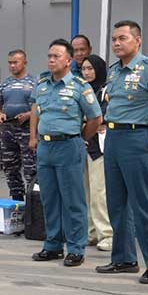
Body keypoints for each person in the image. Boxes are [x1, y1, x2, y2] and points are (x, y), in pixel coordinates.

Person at [95, 20, 148, 284]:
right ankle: (124, 258)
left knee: (144, 205)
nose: (117, 43)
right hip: (114, 138)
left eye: (123, 38)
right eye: (114, 39)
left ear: (137, 41)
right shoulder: (115, 71)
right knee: (117, 203)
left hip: (138, 138)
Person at [29, 39, 103, 267]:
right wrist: (34, 136)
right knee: (49, 199)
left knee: (73, 200)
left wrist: (80, 138)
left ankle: (75, 248)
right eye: (49, 56)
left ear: (69, 61)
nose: (51, 60)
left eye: (57, 56)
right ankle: (52, 245)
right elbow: (36, 111)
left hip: (69, 146)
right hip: (46, 147)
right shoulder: (41, 84)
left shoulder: (80, 86)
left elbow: (95, 118)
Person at [79, 55, 112, 251]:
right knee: (85, 192)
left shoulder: (106, 90)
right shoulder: (82, 90)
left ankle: (107, 234)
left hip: (99, 148)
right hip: (82, 144)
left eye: (90, 68)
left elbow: (103, 115)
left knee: (100, 192)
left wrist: (90, 122)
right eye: (84, 69)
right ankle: (90, 232)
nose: (87, 72)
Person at [0, 49, 37, 201]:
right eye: (10, 63)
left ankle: (33, 201)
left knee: (30, 167)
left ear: (24, 62)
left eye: (15, 62)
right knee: (9, 166)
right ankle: (17, 199)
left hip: (26, 130)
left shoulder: (34, 83)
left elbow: (40, 107)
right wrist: (0, 115)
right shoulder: (5, 83)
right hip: (8, 129)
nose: (12, 66)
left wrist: (28, 115)